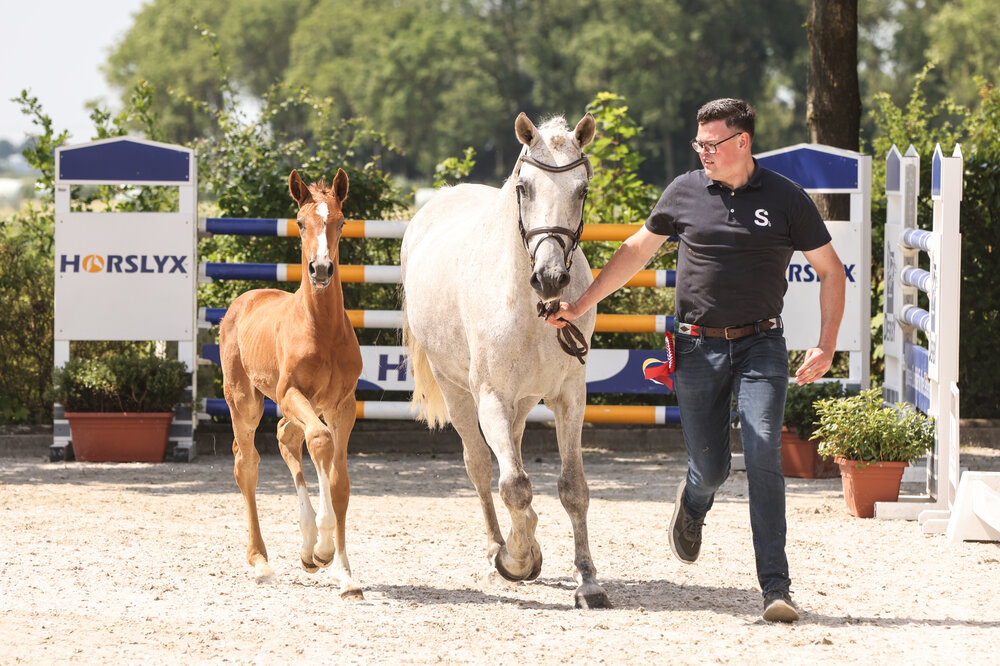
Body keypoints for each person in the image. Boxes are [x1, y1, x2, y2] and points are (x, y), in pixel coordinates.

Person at [545, 98, 845, 622]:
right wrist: (579, 305)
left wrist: (827, 341)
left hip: (761, 345)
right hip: (696, 346)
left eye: (712, 144)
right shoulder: (684, 190)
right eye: (698, 145)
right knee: (709, 467)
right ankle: (693, 503)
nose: (703, 152)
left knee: (763, 453)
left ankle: (776, 587)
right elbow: (636, 252)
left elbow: (831, 271)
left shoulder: (785, 198)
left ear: (742, 142)